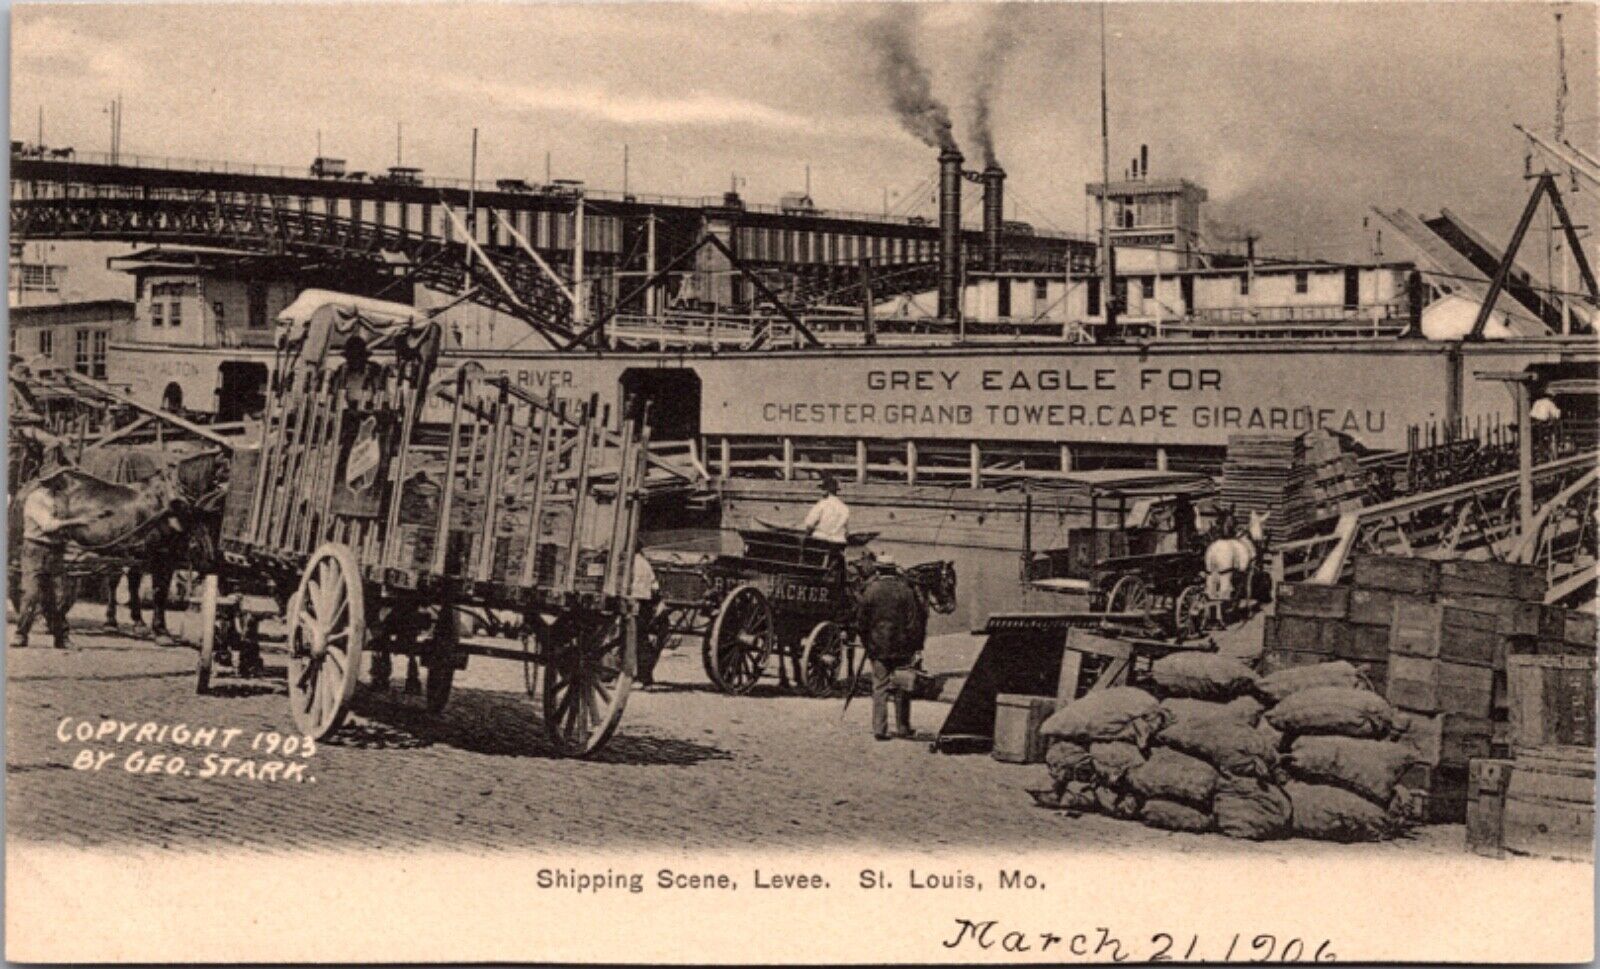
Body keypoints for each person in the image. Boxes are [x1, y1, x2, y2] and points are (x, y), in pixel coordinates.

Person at [15, 473, 102, 650]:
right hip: (35, 550)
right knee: (31, 594)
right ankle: (20, 634)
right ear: (49, 480)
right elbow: (48, 525)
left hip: (55, 551)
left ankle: (61, 638)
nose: (64, 480)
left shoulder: (62, 498)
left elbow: (66, 527)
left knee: (54, 598)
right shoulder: (36, 498)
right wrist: (78, 521)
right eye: (59, 477)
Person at [855, 558, 925, 741]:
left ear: (878, 570)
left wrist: (868, 643)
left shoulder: (870, 591)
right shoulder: (906, 591)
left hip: (878, 647)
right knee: (902, 686)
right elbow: (913, 623)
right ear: (894, 570)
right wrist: (914, 647)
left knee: (880, 686)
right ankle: (903, 727)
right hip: (902, 647)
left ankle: (880, 728)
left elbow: (861, 623)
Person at [630, 551, 663, 688]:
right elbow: (655, 588)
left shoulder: (632, 562)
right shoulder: (644, 563)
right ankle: (645, 677)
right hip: (644, 602)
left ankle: (643, 678)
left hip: (636, 602)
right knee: (642, 639)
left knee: (638, 639)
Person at [802, 474, 850, 545]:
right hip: (839, 542)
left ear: (826, 491)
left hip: (821, 541)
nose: (821, 492)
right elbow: (846, 531)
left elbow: (809, 524)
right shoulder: (844, 508)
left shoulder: (821, 504)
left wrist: (805, 538)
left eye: (822, 490)